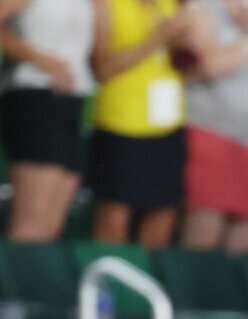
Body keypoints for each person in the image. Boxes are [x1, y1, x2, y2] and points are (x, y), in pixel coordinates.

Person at [178, 0, 248, 255]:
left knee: (245, 250)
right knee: (202, 243)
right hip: (212, 134)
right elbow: (209, 66)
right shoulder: (201, 8)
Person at [89, 0, 194, 248]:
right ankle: (108, 283)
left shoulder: (171, 5)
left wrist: (182, 44)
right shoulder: (107, 5)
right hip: (121, 124)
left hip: (168, 125)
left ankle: (146, 284)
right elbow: (101, 67)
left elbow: (187, 65)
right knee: (113, 221)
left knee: (161, 220)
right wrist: (156, 38)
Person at [1, 0, 98, 242]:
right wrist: (43, 60)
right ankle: (16, 279)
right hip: (33, 95)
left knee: (51, 225)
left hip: (73, 100)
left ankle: (34, 279)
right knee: (30, 221)